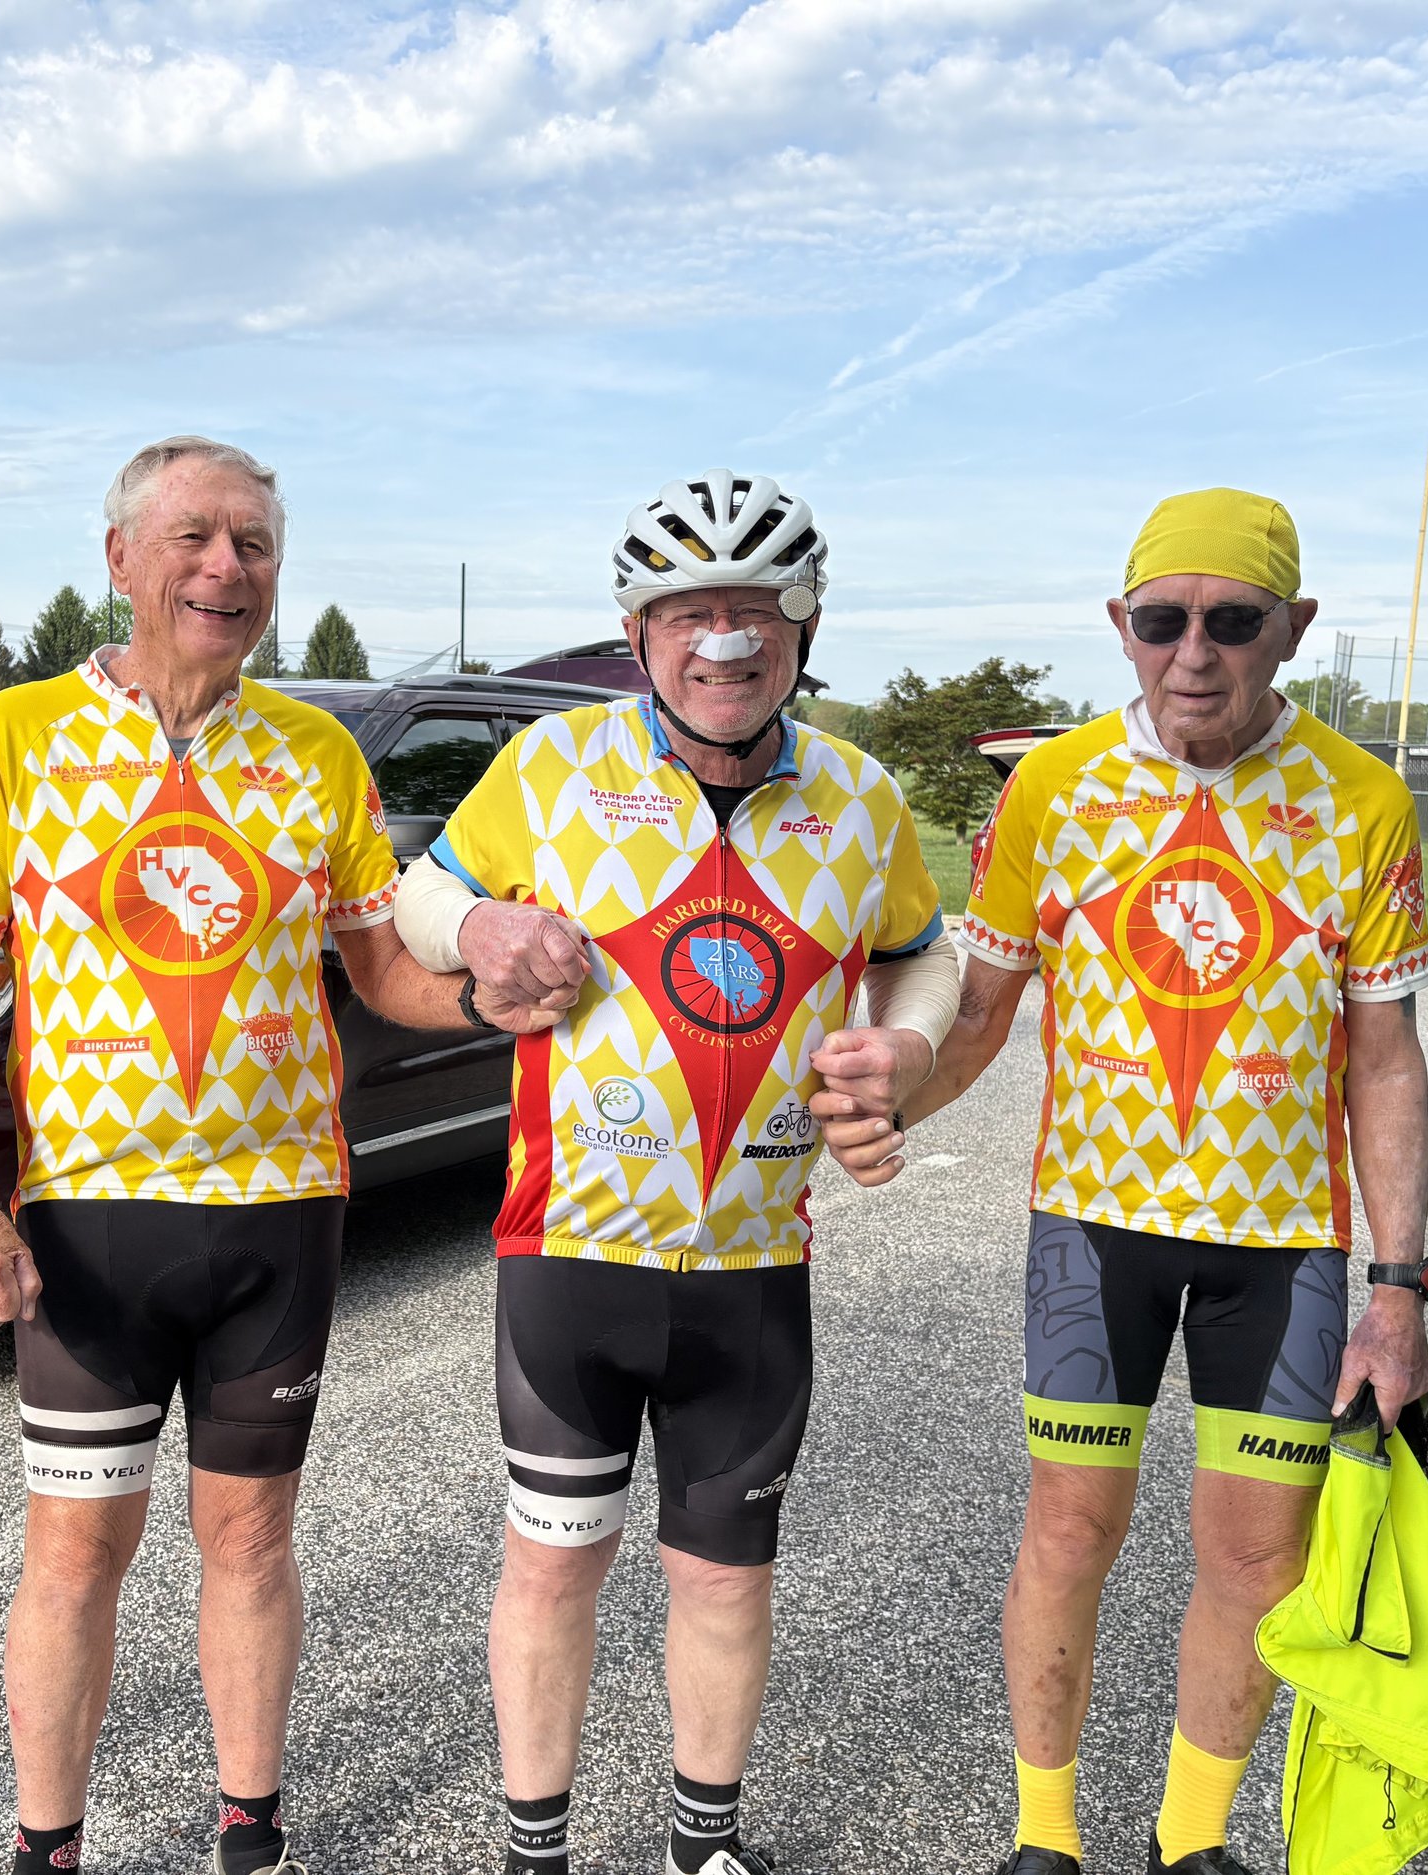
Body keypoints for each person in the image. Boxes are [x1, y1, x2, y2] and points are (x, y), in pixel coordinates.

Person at [0, 435, 540, 1875]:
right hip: (89, 1221)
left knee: (250, 1544)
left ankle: (250, 1831)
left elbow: (380, 967)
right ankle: (45, 1844)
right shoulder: (17, 733)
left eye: (253, 544)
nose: (225, 568)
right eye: (192, 537)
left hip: (278, 1217)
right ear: (118, 558)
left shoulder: (314, 754)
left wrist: (490, 1002)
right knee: (76, 1554)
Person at [818, 488, 1428, 1875]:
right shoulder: (1055, 789)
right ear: (1122, 628)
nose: (1196, 652)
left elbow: (1384, 1060)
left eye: (1235, 621)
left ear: (1294, 630)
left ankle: (1191, 1841)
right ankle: (1047, 1839)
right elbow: (977, 1016)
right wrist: (878, 1106)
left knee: (1255, 1564)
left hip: (1280, 1251)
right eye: (1164, 622)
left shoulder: (1364, 800)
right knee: (1069, 1531)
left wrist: (1397, 1292)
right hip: (1092, 1236)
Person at [391, 471, 961, 1875]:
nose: (725, 642)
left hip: (754, 1274)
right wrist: (480, 931)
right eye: (689, 613)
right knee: (555, 1565)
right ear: (639, 638)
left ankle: (704, 1843)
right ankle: (537, 1849)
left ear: (805, 629)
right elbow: (420, 896)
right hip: (571, 1258)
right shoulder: (557, 769)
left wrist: (908, 1047)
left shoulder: (860, 794)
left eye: (759, 611)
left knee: (723, 1579)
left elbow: (923, 949)